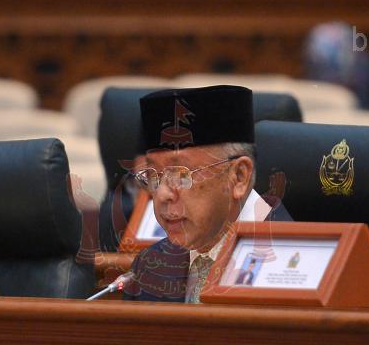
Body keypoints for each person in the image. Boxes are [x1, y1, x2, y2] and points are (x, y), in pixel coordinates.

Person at [122, 85, 291, 303]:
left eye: (180, 175)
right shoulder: (149, 265)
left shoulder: (292, 263)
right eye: (153, 175)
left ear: (239, 176)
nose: (162, 195)